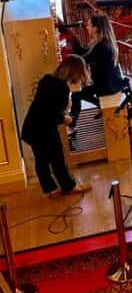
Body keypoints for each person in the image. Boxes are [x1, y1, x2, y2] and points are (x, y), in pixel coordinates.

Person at [21, 56, 92, 197]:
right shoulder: (62, 90)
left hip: (32, 127)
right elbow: (50, 114)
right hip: (43, 130)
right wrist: (65, 119)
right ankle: (68, 186)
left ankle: (49, 190)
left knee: (42, 160)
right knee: (57, 159)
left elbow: (44, 108)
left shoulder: (47, 79)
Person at [69, 14, 123, 132]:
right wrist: (73, 38)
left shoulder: (102, 46)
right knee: (78, 91)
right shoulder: (100, 42)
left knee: (76, 94)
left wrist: (82, 80)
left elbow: (84, 59)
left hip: (107, 85)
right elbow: (85, 54)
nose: (87, 27)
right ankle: (98, 105)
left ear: (96, 28)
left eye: (89, 25)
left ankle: (71, 125)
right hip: (107, 81)